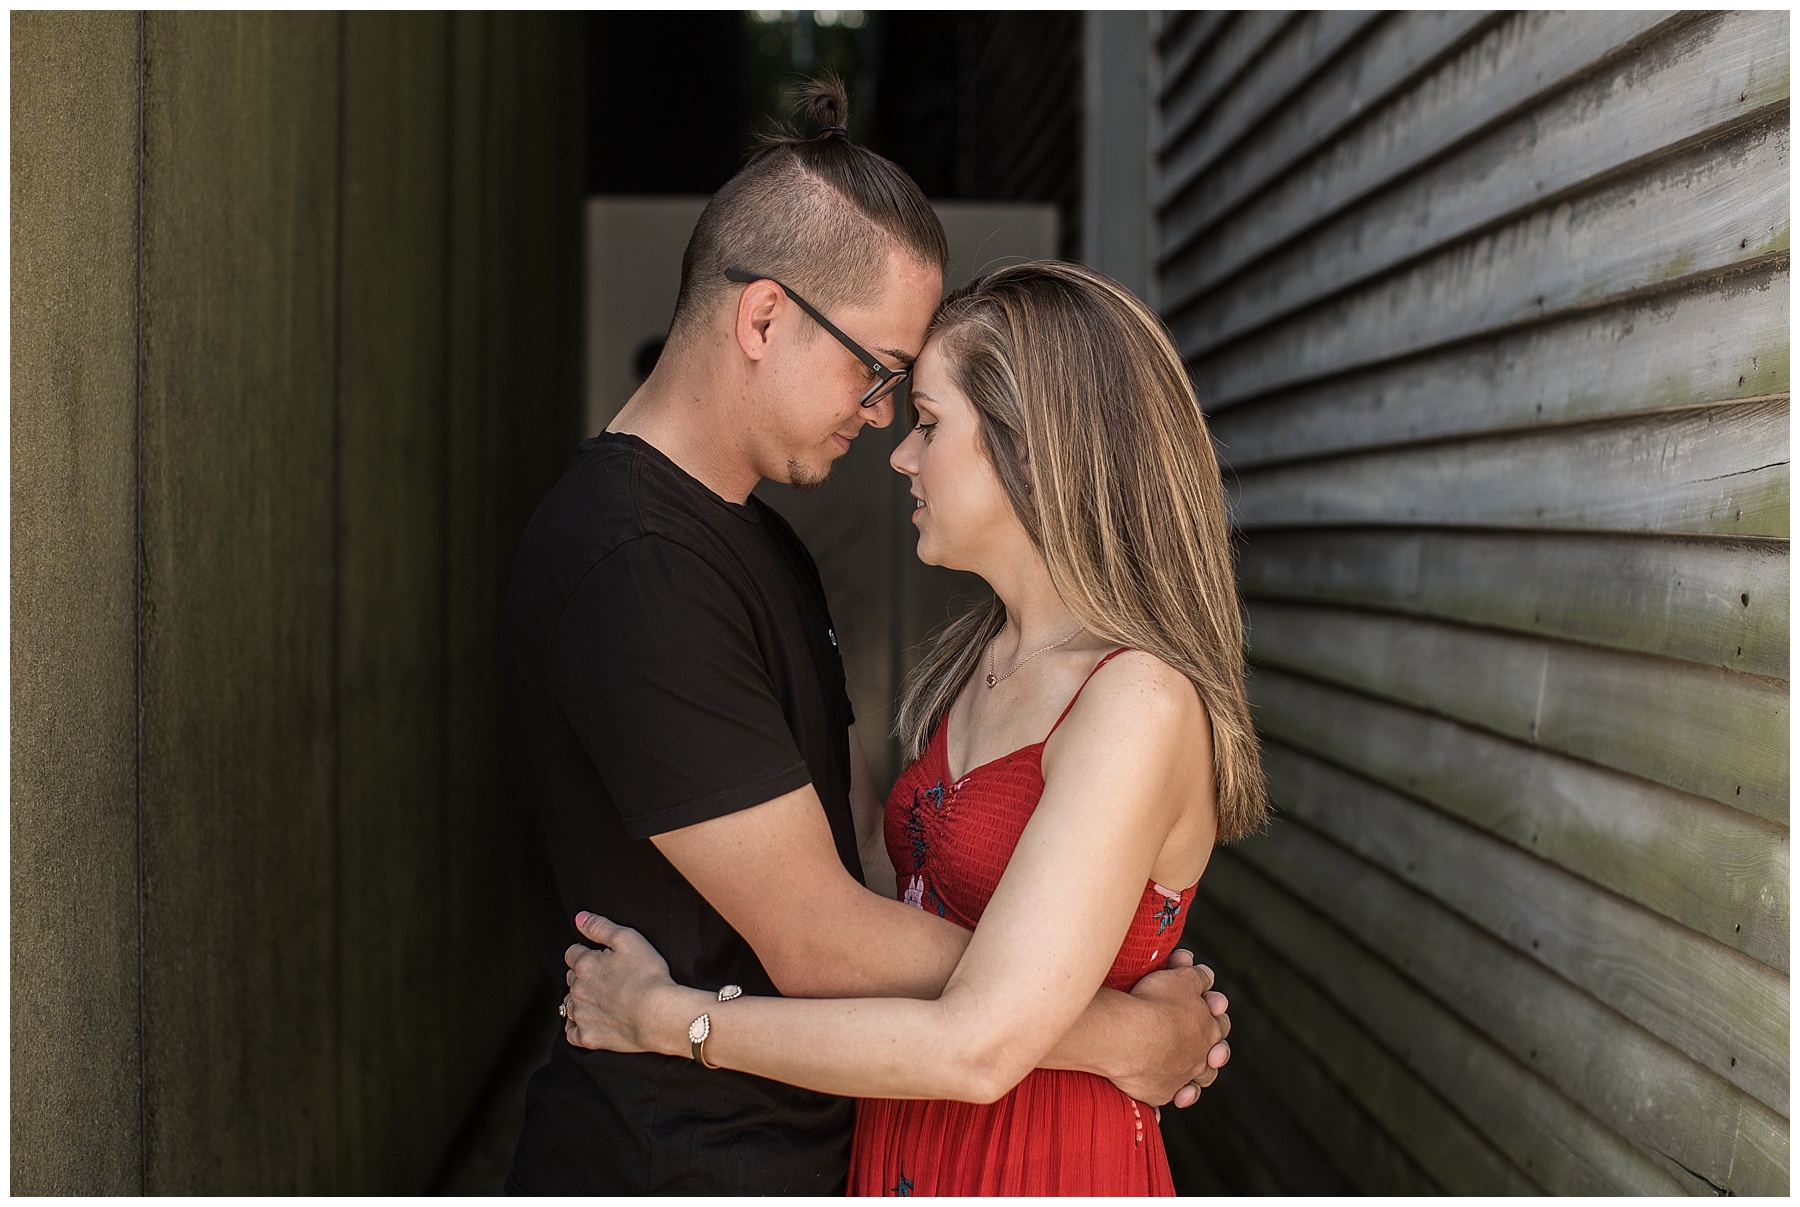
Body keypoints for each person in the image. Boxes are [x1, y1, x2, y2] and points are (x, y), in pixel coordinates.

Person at [501, 80, 1232, 1196]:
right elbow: (824, 935)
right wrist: (1118, 1030)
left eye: (918, 405)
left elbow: (879, 877)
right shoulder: (633, 562)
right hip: (682, 1162)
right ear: (762, 319)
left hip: (846, 1146)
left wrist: (1051, 1002)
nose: (886, 422)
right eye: (878, 372)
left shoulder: (766, 548)